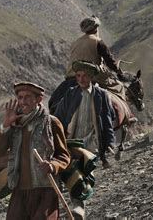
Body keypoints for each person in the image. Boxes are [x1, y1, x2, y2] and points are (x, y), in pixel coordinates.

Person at [0, 82, 70, 219]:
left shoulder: (51, 123)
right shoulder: (15, 124)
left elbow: (63, 156)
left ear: (38, 99)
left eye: (27, 97)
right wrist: (5, 125)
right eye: (20, 97)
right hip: (19, 190)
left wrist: (52, 166)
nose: (22, 102)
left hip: (45, 190)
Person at [54, 60, 116, 219]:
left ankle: (78, 208)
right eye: (78, 76)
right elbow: (58, 117)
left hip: (90, 143)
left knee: (82, 175)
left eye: (84, 76)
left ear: (91, 77)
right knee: (65, 173)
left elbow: (107, 120)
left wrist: (109, 143)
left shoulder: (101, 95)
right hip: (70, 141)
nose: (81, 79)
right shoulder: (70, 94)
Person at [49, 15, 125, 113]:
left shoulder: (75, 42)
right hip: (90, 78)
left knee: (53, 102)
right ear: (96, 29)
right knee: (118, 86)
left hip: (70, 79)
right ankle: (126, 116)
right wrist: (118, 70)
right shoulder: (98, 42)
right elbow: (110, 61)